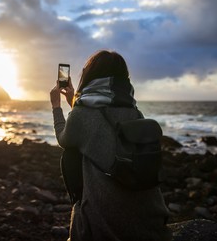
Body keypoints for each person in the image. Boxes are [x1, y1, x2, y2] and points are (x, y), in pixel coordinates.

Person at [50, 50, 171, 241]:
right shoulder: (133, 109)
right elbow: (97, 130)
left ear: (89, 76)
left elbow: (65, 138)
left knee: (71, 155)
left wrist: (56, 106)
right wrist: (74, 102)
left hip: (107, 224)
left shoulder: (82, 113)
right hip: (149, 221)